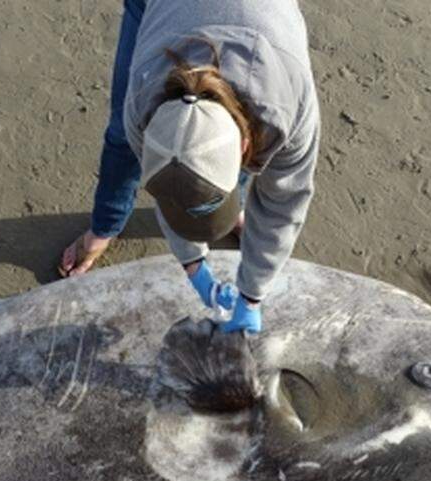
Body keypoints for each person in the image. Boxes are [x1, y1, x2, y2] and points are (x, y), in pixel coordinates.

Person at [57, 0, 320, 334]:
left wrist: (252, 295)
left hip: (262, 23)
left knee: (213, 155)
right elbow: (171, 184)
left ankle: (226, 201)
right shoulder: (142, 101)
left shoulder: (287, 110)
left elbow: (283, 208)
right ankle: (105, 227)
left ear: (242, 145)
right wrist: (194, 266)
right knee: (121, 139)